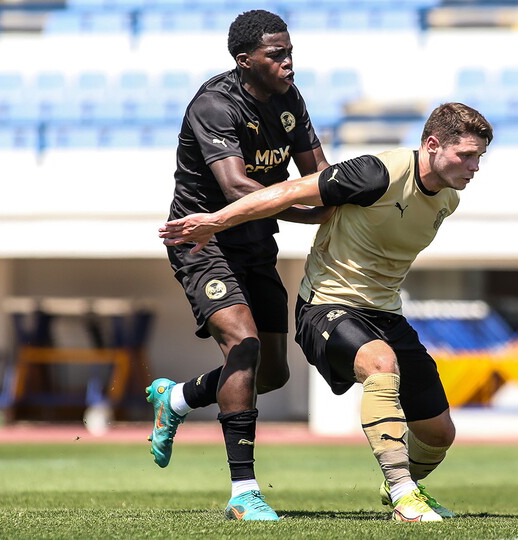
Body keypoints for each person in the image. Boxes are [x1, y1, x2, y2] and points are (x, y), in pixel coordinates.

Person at [160, 102, 493, 521]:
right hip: (327, 305)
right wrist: (217, 221)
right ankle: (402, 492)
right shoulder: (378, 173)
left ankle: (403, 486)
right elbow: (288, 191)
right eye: (466, 154)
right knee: (380, 363)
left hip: (386, 313)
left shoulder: (448, 198)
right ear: (432, 145)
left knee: (438, 433)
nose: (474, 166)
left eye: (479, 156)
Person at [146, 9, 331, 522]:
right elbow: (236, 188)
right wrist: (314, 211)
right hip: (201, 238)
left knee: (270, 372)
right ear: (244, 60)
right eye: (277, 55)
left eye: (290, 51)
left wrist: (338, 197)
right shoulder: (214, 104)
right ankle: (244, 493)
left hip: (254, 241)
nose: (289, 63)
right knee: (243, 345)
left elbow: (319, 172)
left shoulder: (290, 100)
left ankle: (178, 399)